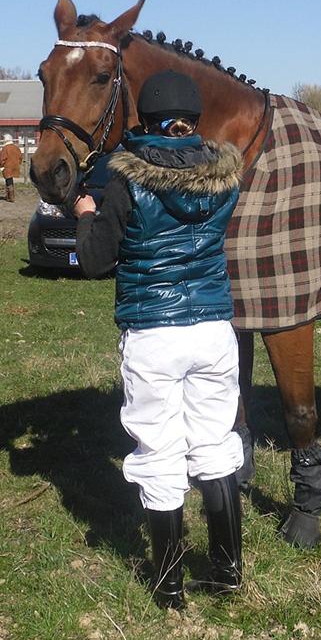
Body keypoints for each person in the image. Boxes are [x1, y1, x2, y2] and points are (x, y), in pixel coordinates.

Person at [73, 70, 244, 609]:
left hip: (153, 330)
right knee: (215, 443)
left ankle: (170, 586)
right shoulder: (224, 178)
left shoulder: (127, 180)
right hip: (215, 328)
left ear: (144, 121)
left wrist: (86, 215)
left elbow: (97, 261)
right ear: (194, 121)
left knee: (160, 450)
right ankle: (227, 571)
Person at [0, 137, 22, 202]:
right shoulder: (16, 148)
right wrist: (18, 164)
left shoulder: (5, 148)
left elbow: (2, 158)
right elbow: (20, 157)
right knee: (10, 180)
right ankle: (10, 196)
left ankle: (11, 197)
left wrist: (1, 165)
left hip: (7, 166)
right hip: (15, 166)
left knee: (8, 180)